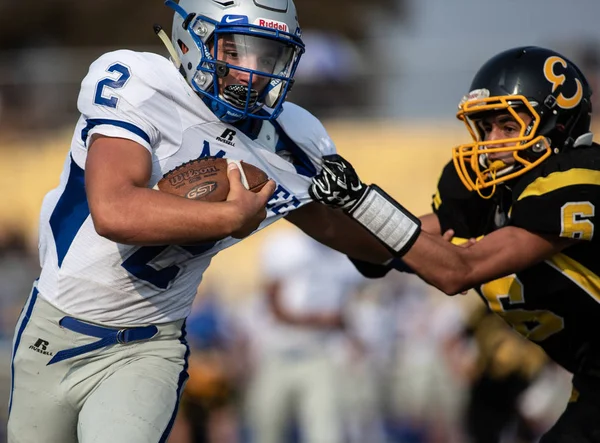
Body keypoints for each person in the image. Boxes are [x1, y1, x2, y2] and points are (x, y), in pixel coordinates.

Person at [6, 1, 392, 442]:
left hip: (148, 344)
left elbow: (390, 245)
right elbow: (113, 213)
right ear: (195, 38)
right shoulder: (141, 85)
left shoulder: (285, 140)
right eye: (236, 52)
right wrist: (230, 216)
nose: (253, 73)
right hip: (51, 327)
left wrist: (444, 231)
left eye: (266, 57)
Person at [308, 46, 600, 442]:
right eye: (486, 127)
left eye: (508, 127)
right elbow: (385, 247)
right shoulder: (489, 194)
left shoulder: (577, 178)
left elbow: (458, 270)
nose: (492, 142)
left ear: (556, 127)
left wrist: (363, 202)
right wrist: (294, 198)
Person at [245, 228, 366, 443]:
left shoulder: (344, 256)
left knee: (325, 430)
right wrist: (319, 319)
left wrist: (350, 337)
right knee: (267, 427)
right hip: (278, 352)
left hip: (319, 353)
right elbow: (275, 306)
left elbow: (345, 310)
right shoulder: (286, 245)